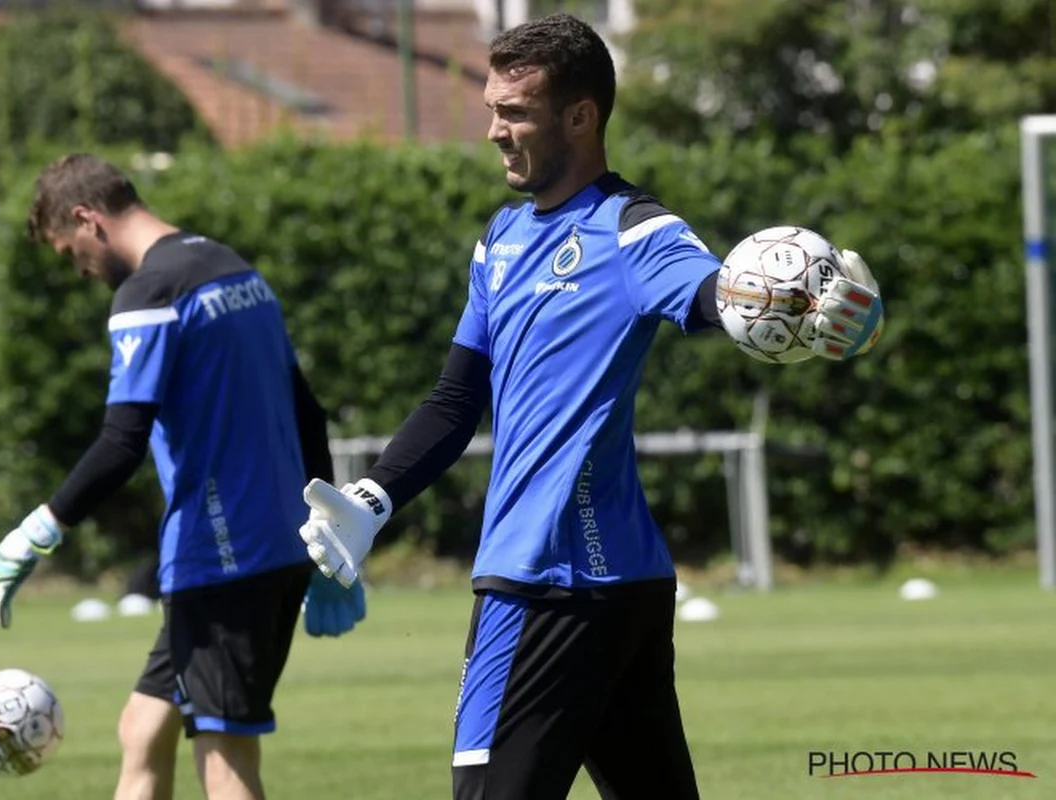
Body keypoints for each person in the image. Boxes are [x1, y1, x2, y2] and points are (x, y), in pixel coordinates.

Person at [297, 13, 883, 800]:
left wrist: (804, 307)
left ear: (581, 115)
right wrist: (371, 499)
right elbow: (455, 399)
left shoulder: (634, 229)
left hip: (546, 581)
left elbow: (714, 295)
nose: (496, 132)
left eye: (515, 113)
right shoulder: (500, 241)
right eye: (491, 111)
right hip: (617, 584)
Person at [0, 154, 366, 800]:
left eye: (69, 251)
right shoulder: (234, 270)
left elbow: (122, 441)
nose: (76, 269)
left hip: (221, 559)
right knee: (143, 727)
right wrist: (328, 537)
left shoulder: (150, 293)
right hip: (269, 552)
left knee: (226, 761)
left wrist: (35, 533)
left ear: (87, 219)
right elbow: (309, 413)